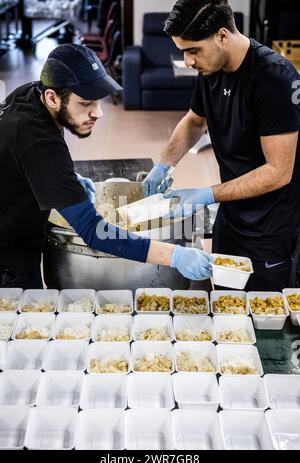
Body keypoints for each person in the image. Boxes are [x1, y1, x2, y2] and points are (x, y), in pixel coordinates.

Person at [0, 43, 212, 289]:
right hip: (7, 261)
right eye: (85, 103)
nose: (98, 113)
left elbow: (18, 157)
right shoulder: (37, 139)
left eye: (98, 101)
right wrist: (175, 256)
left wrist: (59, 178)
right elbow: (93, 231)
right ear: (52, 98)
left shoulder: (31, 94)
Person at [143, 0, 300, 291]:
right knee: (227, 305)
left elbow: (278, 171)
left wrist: (206, 194)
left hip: (270, 227)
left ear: (223, 36)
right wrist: (163, 164)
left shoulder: (275, 78)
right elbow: (194, 121)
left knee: (261, 316)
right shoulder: (211, 69)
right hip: (231, 216)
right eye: (183, 51)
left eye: (193, 50)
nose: (188, 61)